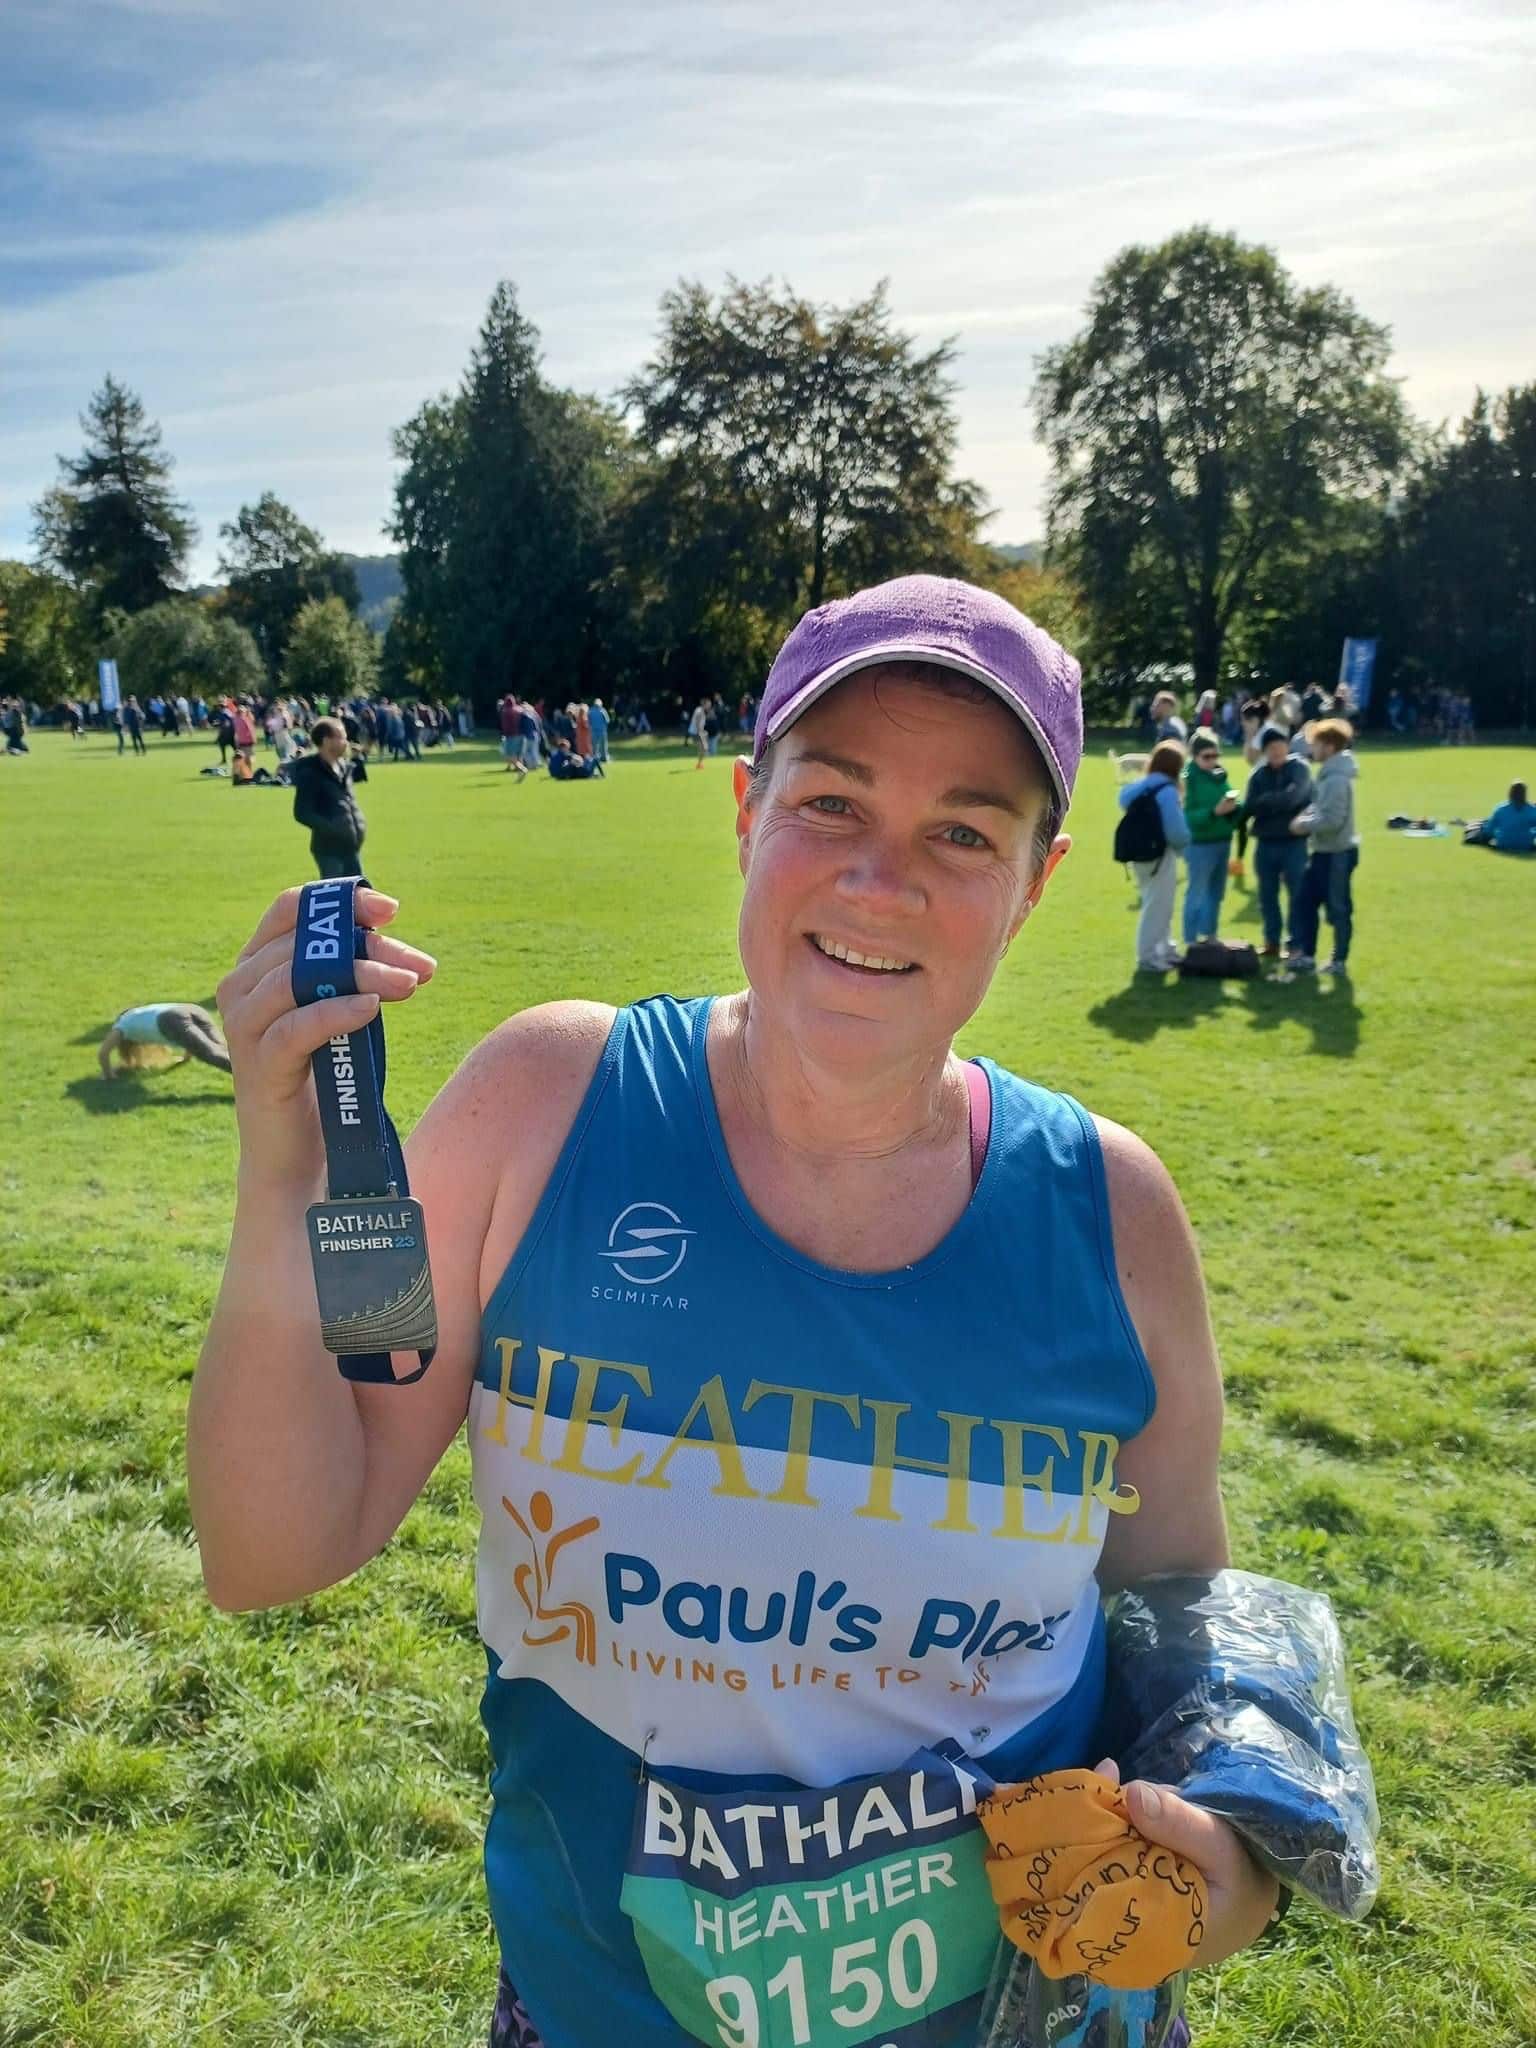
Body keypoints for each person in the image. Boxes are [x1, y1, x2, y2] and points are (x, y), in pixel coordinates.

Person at [191, 575, 1289, 2048]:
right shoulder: (538, 1109)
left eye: (963, 832)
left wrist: (1231, 1863)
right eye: (830, 803)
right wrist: (289, 1181)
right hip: (604, 2014)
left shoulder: (1117, 1216)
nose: (880, 879)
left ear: (1035, 882)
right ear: (745, 805)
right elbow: (276, 1545)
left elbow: (1181, 1624)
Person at [1291, 719, 1360, 975]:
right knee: (1305, 901)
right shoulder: (1329, 774)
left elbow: (1332, 819)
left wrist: (1303, 825)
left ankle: (1338, 960)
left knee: (1338, 908)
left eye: (1316, 744)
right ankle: (1307, 956)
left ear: (1329, 747)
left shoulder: (1337, 779)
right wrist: (1306, 816)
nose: (1312, 749)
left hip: (1337, 854)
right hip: (1323, 853)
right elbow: (1319, 807)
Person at [1240, 726, 1314, 960]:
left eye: (1281, 746)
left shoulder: (1300, 768)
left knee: (1297, 894)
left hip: (1294, 842)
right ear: (1264, 751)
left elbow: (1296, 796)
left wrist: (1268, 802)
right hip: (1266, 842)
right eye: (1272, 748)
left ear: (1288, 746)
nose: (1277, 752)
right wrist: (1278, 802)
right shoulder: (1258, 775)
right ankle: (1271, 941)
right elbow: (1251, 805)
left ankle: (1295, 944)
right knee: (1267, 895)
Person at [1118, 740, 1191, 971]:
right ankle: (1149, 956)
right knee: (1158, 907)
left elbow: (1122, 798)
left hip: (1138, 854)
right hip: (1160, 855)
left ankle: (1165, 950)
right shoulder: (1167, 791)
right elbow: (1176, 831)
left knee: (1157, 903)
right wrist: (1185, 845)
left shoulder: (1140, 787)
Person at [290, 717, 367, 878]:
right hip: (330, 851)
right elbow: (302, 812)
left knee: (359, 897)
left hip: (351, 847)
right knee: (335, 897)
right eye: (341, 737)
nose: (346, 742)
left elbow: (359, 779)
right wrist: (332, 828)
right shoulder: (310, 773)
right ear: (326, 741)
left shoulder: (343, 767)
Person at [1181, 733, 1240, 943]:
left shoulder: (1218, 774)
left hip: (1222, 841)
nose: (1213, 761)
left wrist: (1235, 807)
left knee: (1216, 893)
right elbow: (1187, 816)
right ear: (1195, 756)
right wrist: (1214, 812)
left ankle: (1210, 935)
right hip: (1199, 844)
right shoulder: (1188, 779)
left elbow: (1229, 795)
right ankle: (1190, 939)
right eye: (1207, 757)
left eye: (1216, 756)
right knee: (1196, 894)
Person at [99, 1002, 232, 1078]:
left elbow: (103, 1053)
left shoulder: (122, 1024)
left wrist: (108, 1075)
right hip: (192, 1009)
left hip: (171, 1018)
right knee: (222, 1050)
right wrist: (186, 1058)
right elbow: (191, 1040)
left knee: (213, 1055)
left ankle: (251, 1078)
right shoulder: (141, 1014)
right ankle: (250, 1069)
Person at [1465, 780, 1536, 853]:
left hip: (1503, 844)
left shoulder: (1501, 809)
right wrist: (1531, 834)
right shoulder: (1532, 810)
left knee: (1478, 828)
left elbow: (1489, 830)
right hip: (1525, 845)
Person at [500, 696, 527, 777]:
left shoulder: (506, 711)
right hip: (522, 735)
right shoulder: (520, 710)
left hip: (511, 735)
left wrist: (504, 734)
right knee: (519, 755)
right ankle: (520, 774)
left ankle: (523, 769)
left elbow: (505, 725)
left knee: (510, 755)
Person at [587, 696, 610, 766]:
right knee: (603, 745)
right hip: (602, 731)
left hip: (593, 731)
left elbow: (588, 721)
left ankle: (595, 758)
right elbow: (607, 720)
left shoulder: (590, 711)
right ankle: (604, 758)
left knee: (594, 746)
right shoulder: (602, 710)